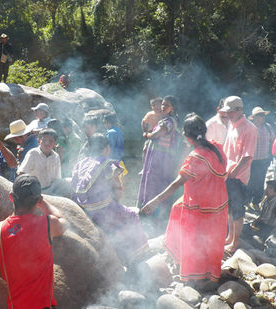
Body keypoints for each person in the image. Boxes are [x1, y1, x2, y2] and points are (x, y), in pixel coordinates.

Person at [141, 113, 228, 286]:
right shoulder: (217, 148)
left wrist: (154, 201)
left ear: (187, 137)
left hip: (200, 206)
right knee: (208, 236)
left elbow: (176, 184)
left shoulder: (196, 157)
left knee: (194, 237)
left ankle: (192, 273)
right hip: (219, 203)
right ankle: (210, 272)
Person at [0, 175, 67, 309]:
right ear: (37, 200)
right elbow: (63, 222)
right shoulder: (47, 224)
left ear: (11, 197)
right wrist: (43, 203)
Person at [72, 134, 148, 264]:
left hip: (80, 209)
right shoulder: (108, 163)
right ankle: (136, 257)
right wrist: (118, 206)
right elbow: (117, 189)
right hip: (101, 210)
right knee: (131, 216)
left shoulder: (80, 164)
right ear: (107, 148)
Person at [137, 96, 183, 234]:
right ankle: (150, 216)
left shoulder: (169, 121)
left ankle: (155, 219)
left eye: (167, 105)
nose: (163, 107)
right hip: (156, 158)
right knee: (152, 183)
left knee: (156, 185)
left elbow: (158, 134)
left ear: (172, 108)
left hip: (161, 160)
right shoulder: (165, 119)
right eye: (162, 104)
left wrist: (147, 135)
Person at [222, 96, 257, 254]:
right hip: (227, 174)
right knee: (229, 208)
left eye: (230, 112)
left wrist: (232, 174)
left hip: (237, 176)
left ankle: (235, 242)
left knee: (237, 210)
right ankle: (230, 236)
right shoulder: (232, 124)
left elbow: (247, 157)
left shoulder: (249, 128)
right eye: (227, 111)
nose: (228, 114)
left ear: (239, 110)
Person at [17, 129, 69, 197]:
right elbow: (22, 173)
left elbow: (57, 179)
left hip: (51, 191)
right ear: (39, 141)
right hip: (34, 192)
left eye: (51, 141)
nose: (47, 143)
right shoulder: (33, 153)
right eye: (44, 140)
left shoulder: (56, 157)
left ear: (55, 143)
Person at [248, 106, 274, 208]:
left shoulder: (268, 127)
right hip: (251, 160)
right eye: (260, 115)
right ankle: (247, 201)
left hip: (264, 159)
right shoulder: (250, 127)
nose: (262, 117)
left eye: (263, 115)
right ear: (254, 117)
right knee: (250, 181)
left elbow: (272, 141)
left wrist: (271, 156)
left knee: (260, 181)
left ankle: (256, 202)